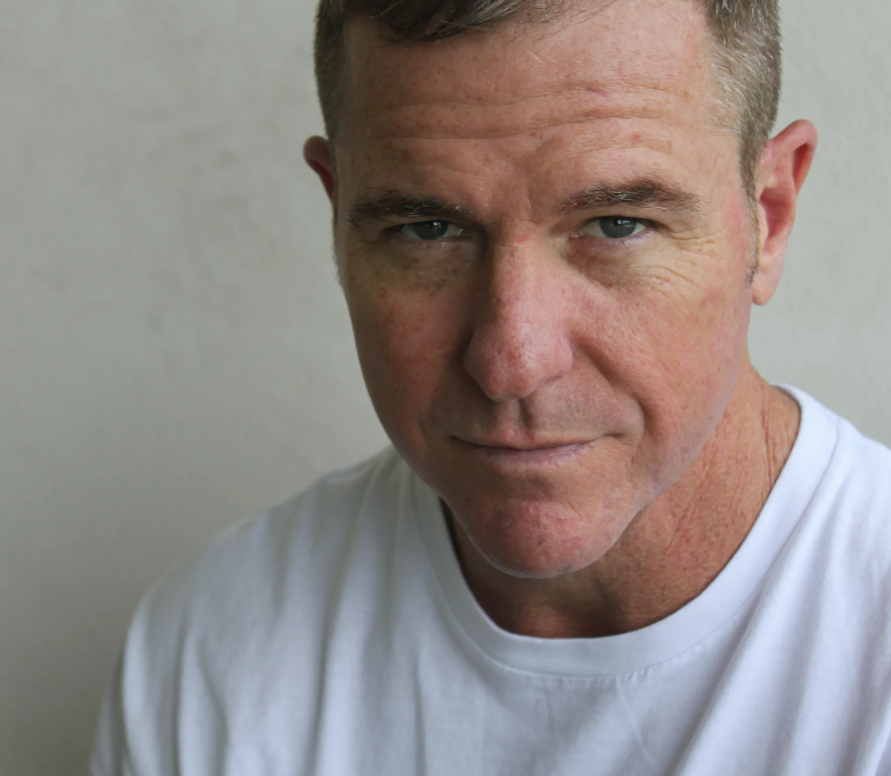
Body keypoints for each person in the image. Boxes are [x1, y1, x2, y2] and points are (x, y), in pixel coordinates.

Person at [92, 0, 891, 773]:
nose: (511, 361)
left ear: (768, 217)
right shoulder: (210, 655)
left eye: (616, 225)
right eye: (427, 230)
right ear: (337, 218)